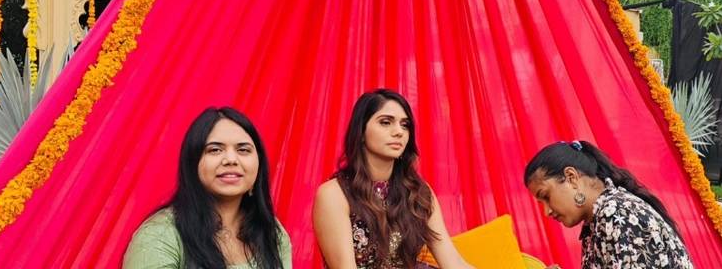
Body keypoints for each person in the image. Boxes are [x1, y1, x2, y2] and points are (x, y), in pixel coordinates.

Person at [312, 89, 474, 269]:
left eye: (405, 125)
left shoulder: (418, 191)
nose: (399, 132)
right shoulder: (334, 194)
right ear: (361, 131)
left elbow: (453, 262)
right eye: (386, 122)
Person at [123, 107, 291, 269]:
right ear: (192, 163)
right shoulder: (161, 234)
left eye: (243, 150)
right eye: (215, 150)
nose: (231, 159)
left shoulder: (271, 232)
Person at [523, 140, 693, 269]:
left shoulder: (619, 215)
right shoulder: (599, 220)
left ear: (571, 177)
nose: (547, 211)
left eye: (546, 196)